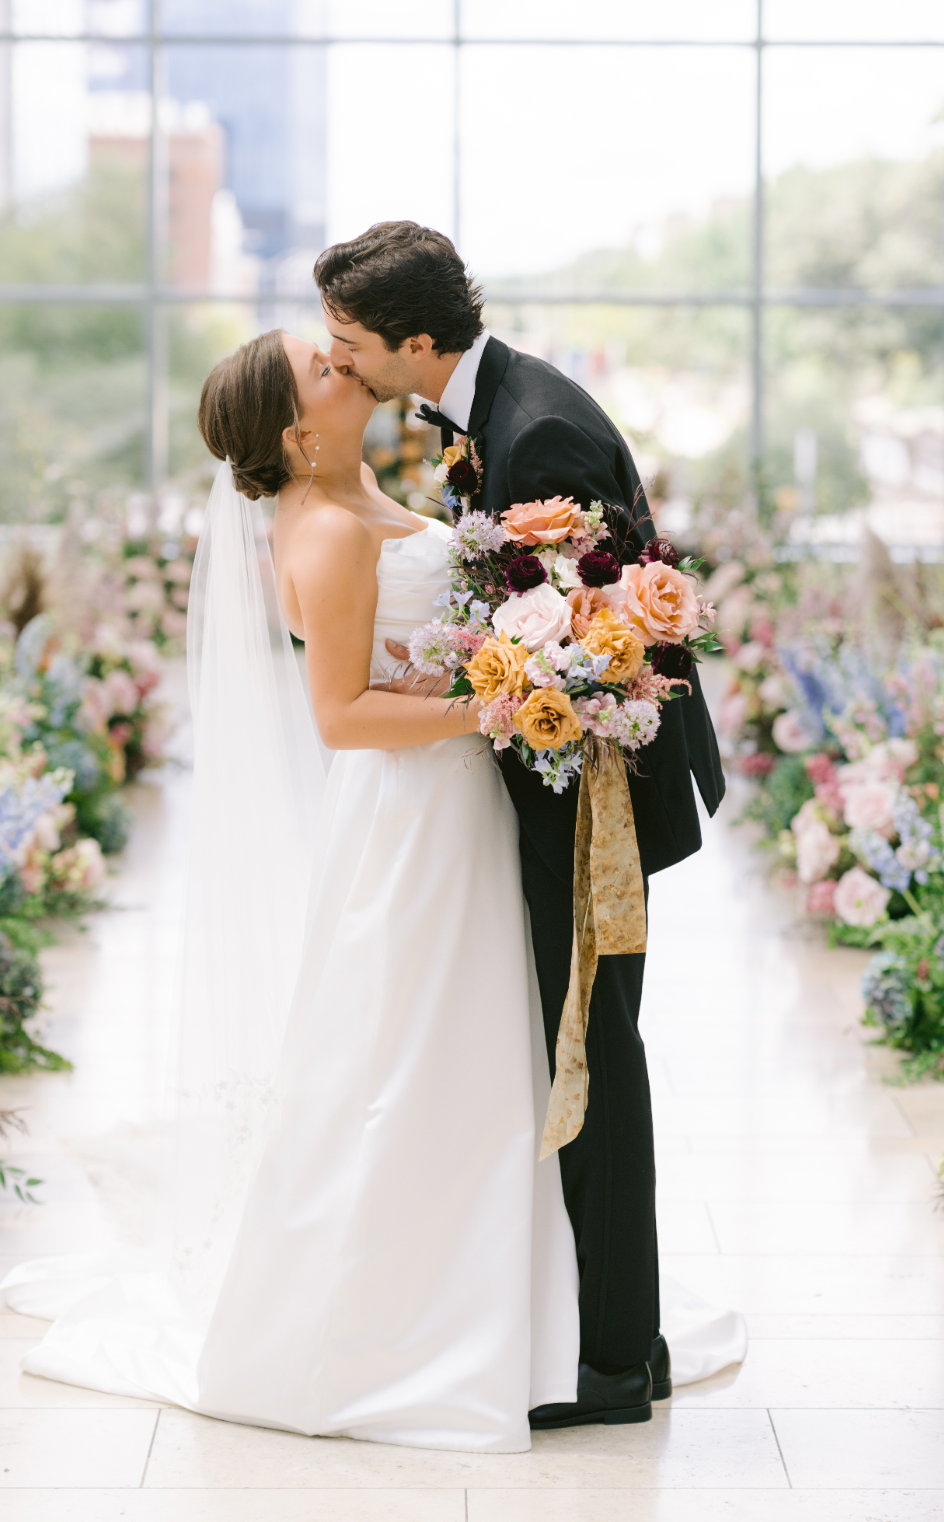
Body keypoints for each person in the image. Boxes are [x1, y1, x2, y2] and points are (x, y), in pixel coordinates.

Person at [313, 221, 727, 1430]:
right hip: (564, 773)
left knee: (592, 1056)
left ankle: (611, 1367)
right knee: (586, 1051)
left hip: (594, 795)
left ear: (419, 341)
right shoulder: (496, 406)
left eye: (351, 344)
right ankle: (625, 1341)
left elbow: (604, 648)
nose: (343, 365)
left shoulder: (535, 425)